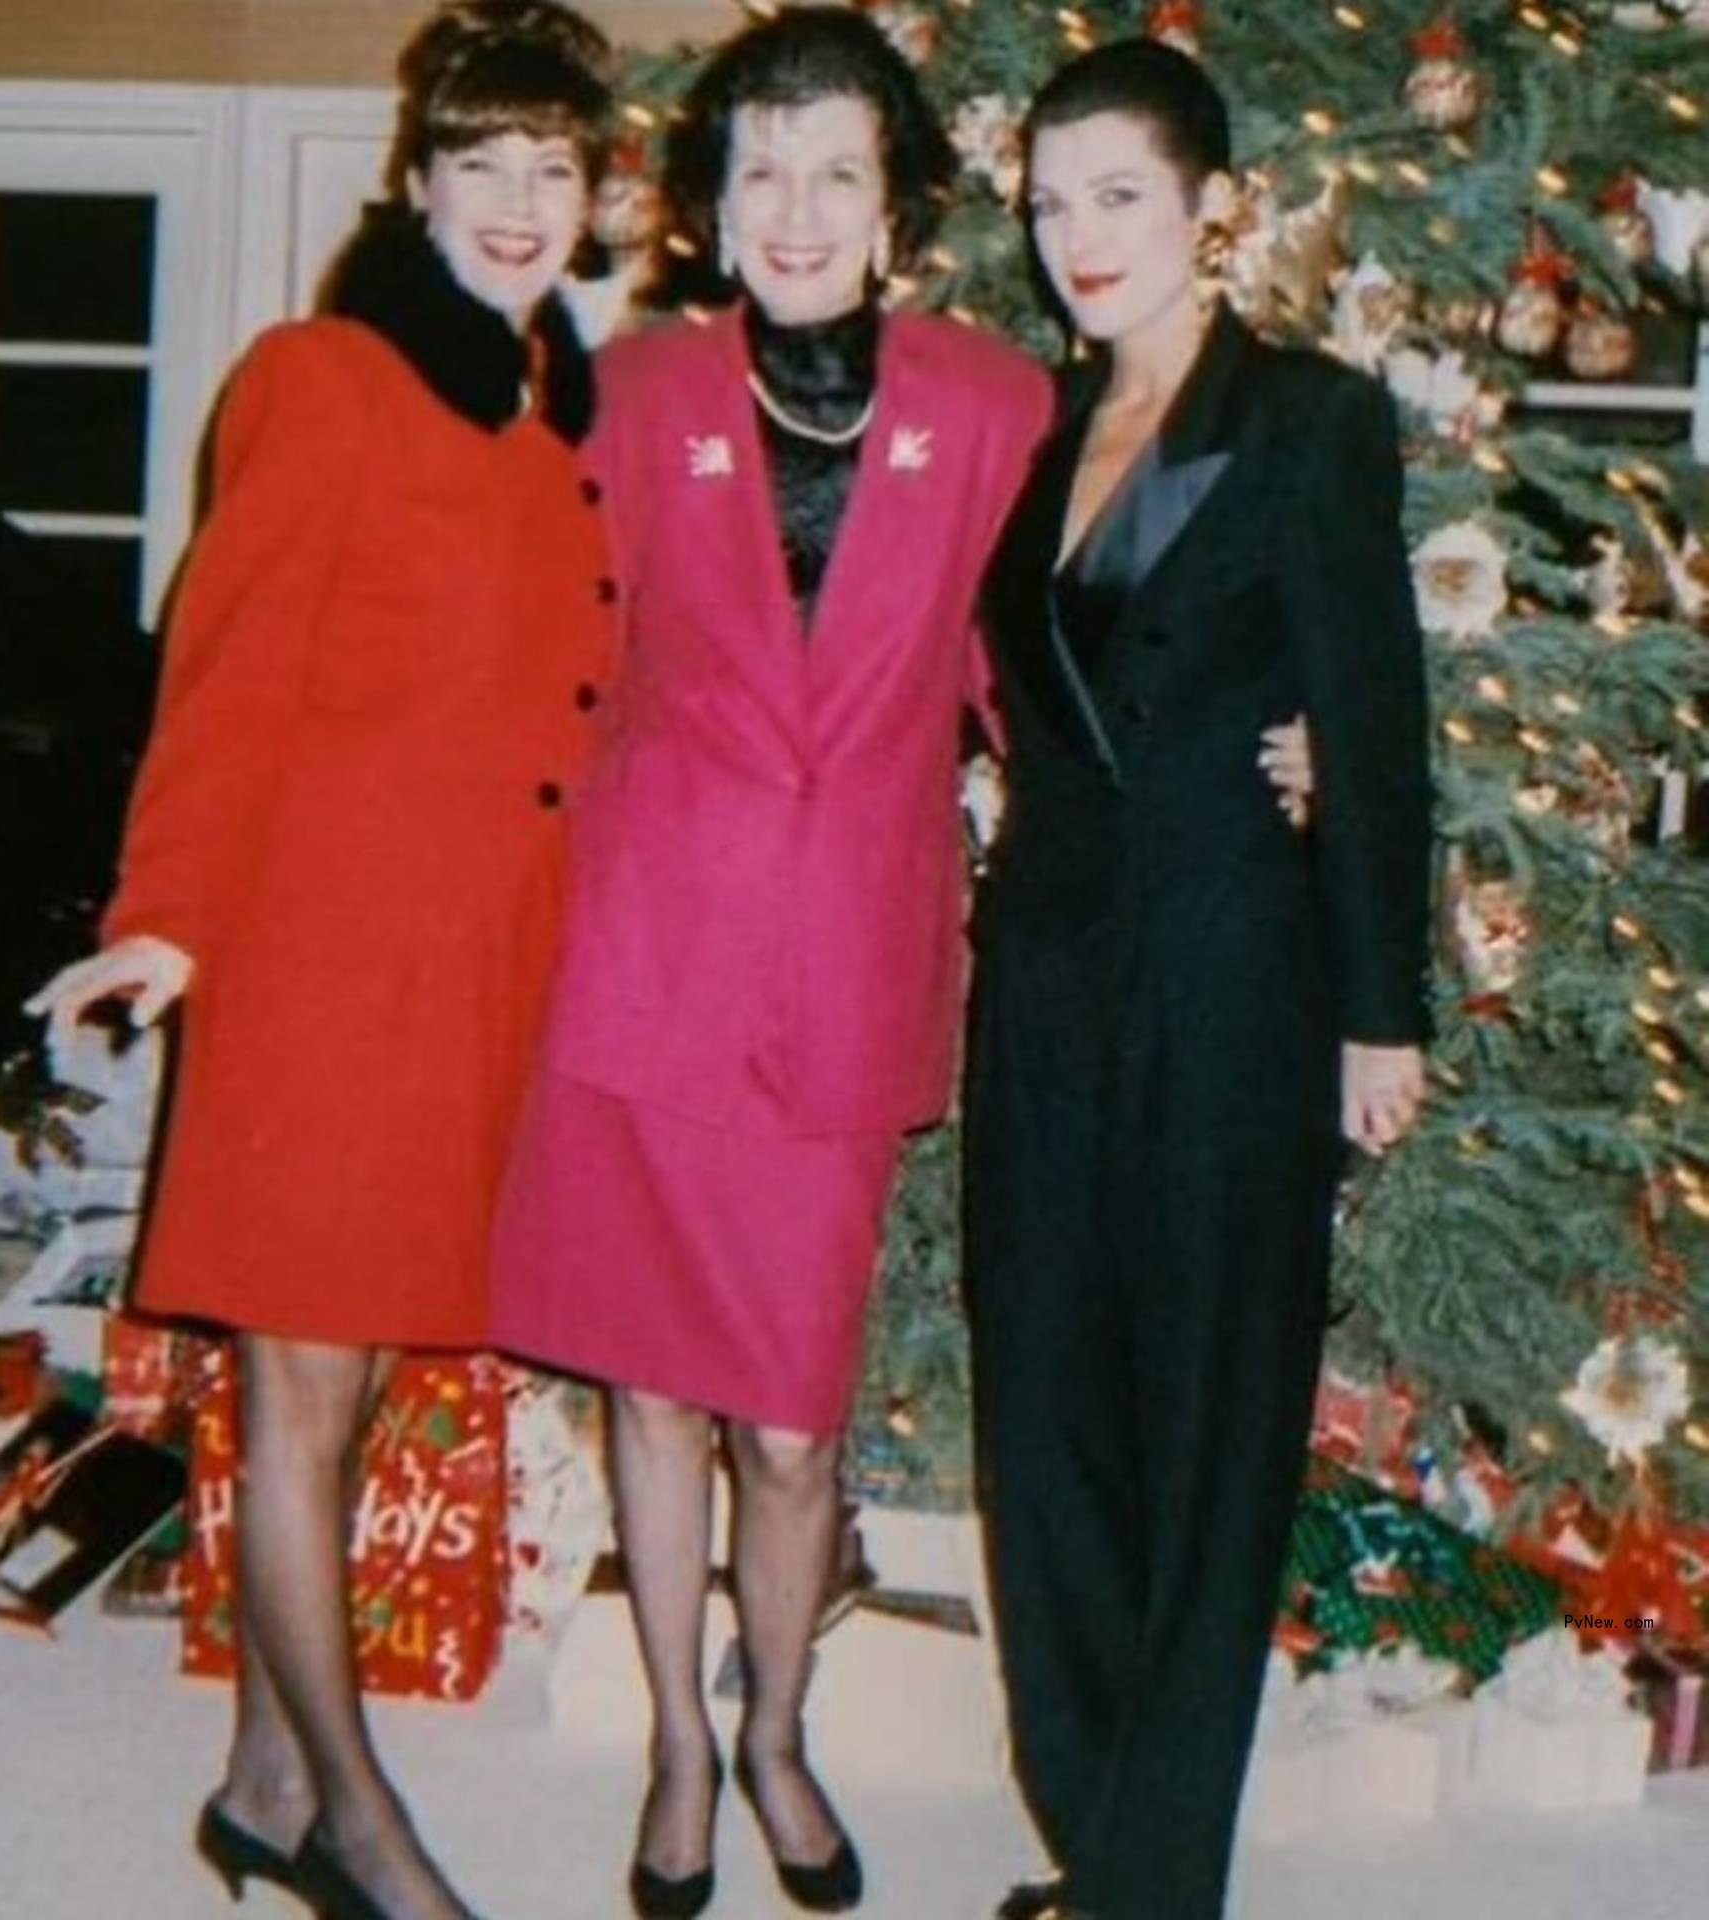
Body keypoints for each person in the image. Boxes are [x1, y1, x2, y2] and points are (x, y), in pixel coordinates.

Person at [485, 14, 1312, 1919]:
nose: (794, 210)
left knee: (789, 1422)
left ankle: (779, 1724)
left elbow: (1097, 656)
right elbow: (523, 647)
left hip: (849, 967)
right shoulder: (625, 391)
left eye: (836, 172)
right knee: (655, 1398)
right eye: (760, 171)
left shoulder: (997, 404)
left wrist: (1295, 731)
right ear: (710, 202)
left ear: (900, 208)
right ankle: (685, 1755)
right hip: (645, 955)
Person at [25, 7, 618, 1918]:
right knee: (299, 1394)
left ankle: (261, 1785)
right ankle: (361, 1830)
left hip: (473, 979)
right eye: (487, 167)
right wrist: (166, 913)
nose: (524, 205)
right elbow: (228, 666)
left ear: (597, 198)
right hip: (320, 973)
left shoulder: (557, 414)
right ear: (417, 186)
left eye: (559, 170)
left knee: (347, 1396)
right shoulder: (323, 376)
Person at [964, 39, 1432, 1920]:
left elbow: (1376, 728)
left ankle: (1151, 1889)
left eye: (1119, 197)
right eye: (1050, 200)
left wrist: (1377, 1007)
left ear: (1209, 206)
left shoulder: (1307, 418)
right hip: (1052, 982)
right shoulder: (1043, 432)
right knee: (1049, 1413)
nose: (1075, 236)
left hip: (1239, 979)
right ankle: (1097, 1829)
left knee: (1215, 1427)